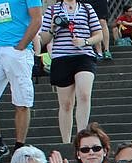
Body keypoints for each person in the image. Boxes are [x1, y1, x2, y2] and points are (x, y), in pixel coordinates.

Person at [0, 0, 43, 163]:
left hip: (17, 49)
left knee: (22, 101)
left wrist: (21, 45)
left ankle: (19, 146)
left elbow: (37, 19)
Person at [39, 0, 101, 144]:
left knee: (84, 95)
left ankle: (82, 137)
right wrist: (52, 29)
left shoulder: (87, 8)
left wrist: (85, 41)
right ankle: (66, 142)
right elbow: (43, 38)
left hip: (84, 56)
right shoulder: (52, 10)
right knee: (66, 104)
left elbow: (99, 34)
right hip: (61, 57)